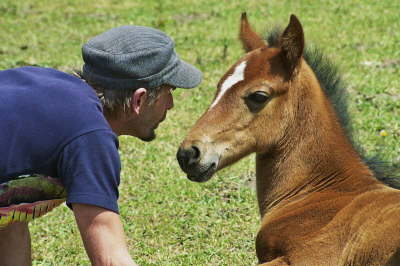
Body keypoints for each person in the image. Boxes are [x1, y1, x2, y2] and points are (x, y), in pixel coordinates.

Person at [0, 25, 202, 265]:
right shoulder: (89, 137)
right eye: (169, 92)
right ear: (139, 99)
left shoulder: (43, 86)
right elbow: (110, 258)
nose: (171, 105)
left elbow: (10, 217)